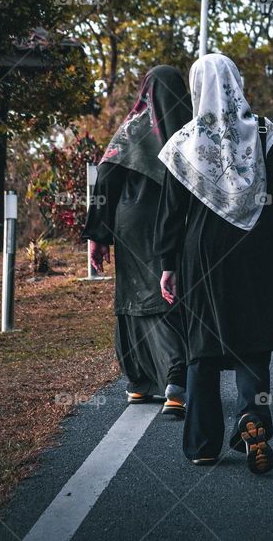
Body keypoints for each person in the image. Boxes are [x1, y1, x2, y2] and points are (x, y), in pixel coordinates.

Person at [155, 53, 273, 474]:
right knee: (254, 341)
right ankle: (252, 415)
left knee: (203, 345)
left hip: (202, 253)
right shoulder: (266, 132)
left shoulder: (183, 142)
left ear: (197, 88)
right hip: (257, 248)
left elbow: (171, 213)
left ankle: (202, 443)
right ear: (237, 83)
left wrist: (167, 265)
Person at [82, 66, 191, 418]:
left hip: (131, 222)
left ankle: (141, 381)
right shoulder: (190, 130)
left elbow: (106, 179)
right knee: (169, 293)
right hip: (177, 222)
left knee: (133, 295)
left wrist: (98, 236)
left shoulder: (132, 128)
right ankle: (174, 379)